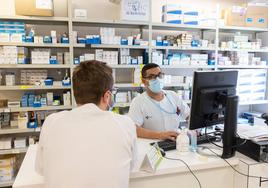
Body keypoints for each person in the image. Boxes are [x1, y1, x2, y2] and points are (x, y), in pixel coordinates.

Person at [35, 60, 137, 188]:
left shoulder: (51, 122)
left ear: (75, 93)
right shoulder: (125, 124)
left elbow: (41, 169)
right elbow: (131, 167)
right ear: (107, 96)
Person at [128, 63, 190, 141]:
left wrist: (194, 129)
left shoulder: (173, 96)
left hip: (174, 142)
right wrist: (160, 135)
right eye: (152, 77)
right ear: (144, 81)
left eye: (159, 75)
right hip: (151, 146)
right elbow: (133, 128)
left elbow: (188, 115)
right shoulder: (138, 102)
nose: (157, 79)